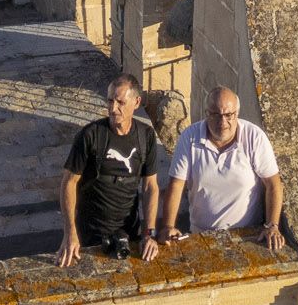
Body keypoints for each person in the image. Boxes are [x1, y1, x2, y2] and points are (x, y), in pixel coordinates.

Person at [160, 85, 284, 251]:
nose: (222, 122)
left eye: (228, 115)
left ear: (237, 114)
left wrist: (272, 226)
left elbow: (273, 184)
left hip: (246, 236)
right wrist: (168, 226)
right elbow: (176, 185)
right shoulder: (190, 137)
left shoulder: (254, 137)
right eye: (215, 114)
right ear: (207, 114)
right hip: (201, 236)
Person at [57, 74, 159, 266]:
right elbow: (69, 182)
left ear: (136, 102)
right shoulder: (90, 136)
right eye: (110, 101)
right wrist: (70, 232)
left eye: (120, 102)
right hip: (90, 232)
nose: (113, 109)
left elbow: (150, 187)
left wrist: (149, 233)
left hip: (129, 230)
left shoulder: (145, 136)